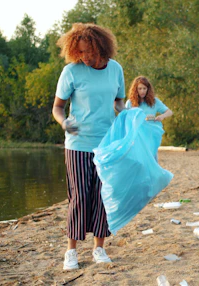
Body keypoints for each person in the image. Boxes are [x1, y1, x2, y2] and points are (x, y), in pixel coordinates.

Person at [52, 23, 126, 270]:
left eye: (89, 52)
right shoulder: (71, 71)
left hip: (106, 144)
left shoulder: (115, 70)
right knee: (79, 196)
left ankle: (99, 248)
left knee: (102, 196)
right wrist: (64, 122)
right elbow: (58, 107)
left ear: (101, 47)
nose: (85, 57)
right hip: (77, 144)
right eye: (80, 52)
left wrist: (130, 116)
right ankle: (71, 252)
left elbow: (118, 103)